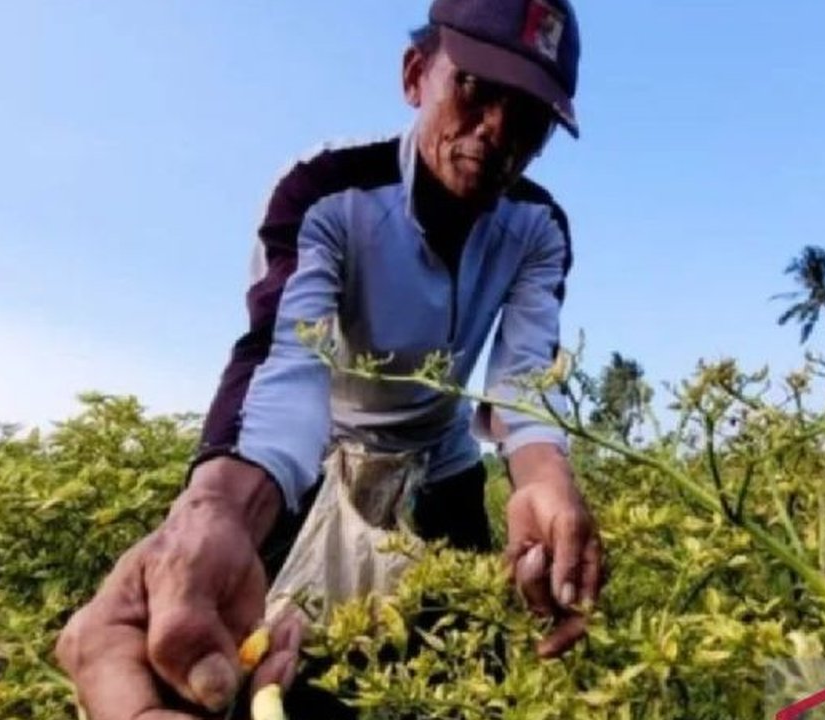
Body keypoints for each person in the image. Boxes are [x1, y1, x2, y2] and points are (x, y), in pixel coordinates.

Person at [53, 0, 604, 717]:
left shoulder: (537, 228)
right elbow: (286, 363)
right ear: (416, 75)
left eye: (529, 115)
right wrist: (216, 511)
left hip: (440, 464)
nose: (497, 130)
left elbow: (523, 380)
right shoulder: (328, 195)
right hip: (319, 461)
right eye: (474, 88)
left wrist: (548, 483)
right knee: (278, 671)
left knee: (468, 669)